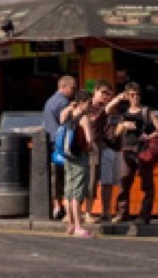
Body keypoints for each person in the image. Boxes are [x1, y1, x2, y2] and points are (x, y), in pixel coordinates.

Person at [107, 81, 158, 224]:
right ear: (127, 96)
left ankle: (144, 215)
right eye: (132, 95)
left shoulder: (146, 111)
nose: (135, 97)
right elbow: (116, 133)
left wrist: (149, 136)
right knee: (124, 182)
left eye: (137, 94)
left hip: (142, 149)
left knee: (147, 184)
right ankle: (122, 213)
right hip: (127, 149)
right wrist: (123, 125)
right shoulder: (123, 113)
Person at [85, 80, 120, 223]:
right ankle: (88, 211)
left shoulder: (110, 109)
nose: (106, 96)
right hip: (92, 147)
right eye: (104, 93)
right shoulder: (89, 106)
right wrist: (108, 107)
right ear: (96, 91)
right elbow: (93, 121)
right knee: (92, 180)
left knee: (107, 181)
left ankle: (106, 211)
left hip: (107, 147)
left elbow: (112, 127)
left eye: (109, 94)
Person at [61, 90, 94, 237]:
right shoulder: (84, 118)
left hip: (68, 156)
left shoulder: (69, 114)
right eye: (89, 102)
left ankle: (70, 225)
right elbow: (89, 140)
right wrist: (92, 148)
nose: (90, 105)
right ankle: (79, 226)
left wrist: (70, 107)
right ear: (83, 102)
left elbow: (61, 120)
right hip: (80, 156)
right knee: (77, 192)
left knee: (68, 190)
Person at [43, 75, 76, 220]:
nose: (74, 91)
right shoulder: (63, 102)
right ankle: (61, 208)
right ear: (63, 87)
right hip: (61, 145)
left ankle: (56, 205)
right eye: (72, 88)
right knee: (64, 178)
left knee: (55, 177)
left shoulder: (49, 101)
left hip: (50, 144)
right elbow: (67, 125)